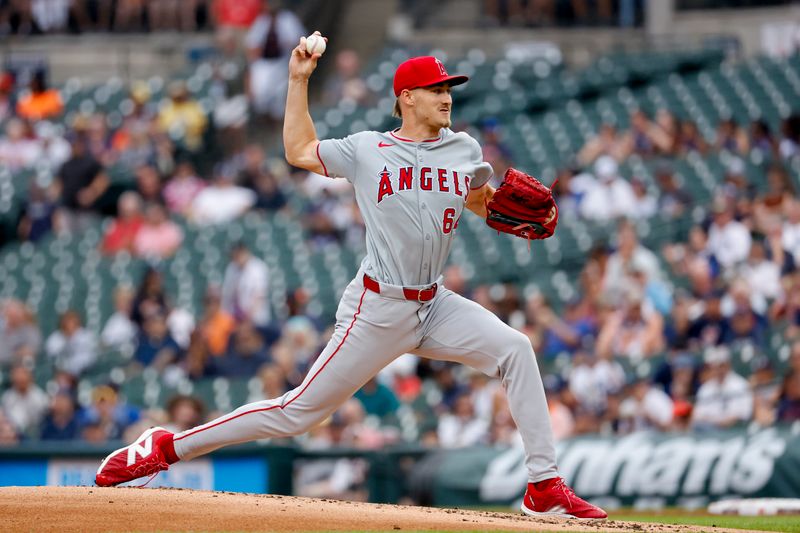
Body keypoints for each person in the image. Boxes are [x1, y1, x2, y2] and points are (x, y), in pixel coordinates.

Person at [95, 40, 607, 520]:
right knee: (296, 413)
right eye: (437, 89)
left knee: (516, 348)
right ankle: (163, 448)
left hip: (436, 304)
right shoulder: (367, 149)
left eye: (449, 89)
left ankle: (543, 486)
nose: (447, 97)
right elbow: (299, 149)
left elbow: (477, 199)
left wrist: (501, 209)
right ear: (407, 98)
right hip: (377, 307)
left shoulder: (464, 150)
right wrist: (299, 80)